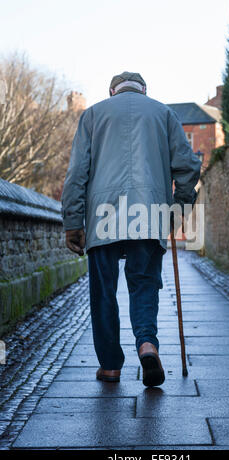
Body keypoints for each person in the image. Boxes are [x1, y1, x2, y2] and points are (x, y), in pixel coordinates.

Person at [61, 72, 200, 387]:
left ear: (112, 91)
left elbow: (76, 173)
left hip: (101, 215)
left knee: (103, 291)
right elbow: (188, 166)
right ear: (144, 90)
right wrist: (180, 205)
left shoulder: (93, 115)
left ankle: (110, 366)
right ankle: (147, 344)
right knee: (144, 284)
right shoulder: (163, 113)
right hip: (148, 212)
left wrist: (73, 222)